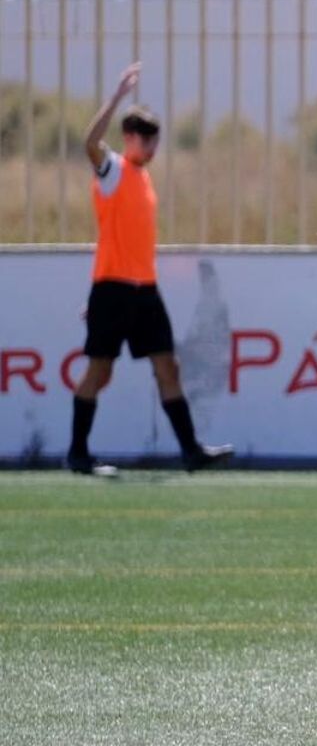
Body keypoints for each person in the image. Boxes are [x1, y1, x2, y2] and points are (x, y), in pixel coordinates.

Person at [65, 62, 233, 477]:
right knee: (99, 372)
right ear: (129, 138)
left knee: (167, 367)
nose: (152, 149)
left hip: (145, 289)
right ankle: (77, 453)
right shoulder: (114, 171)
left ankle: (191, 450)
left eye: (156, 142)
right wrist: (118, 96)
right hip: (113, 289)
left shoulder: (142, 179)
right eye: (146, 141)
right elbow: (89, 142)